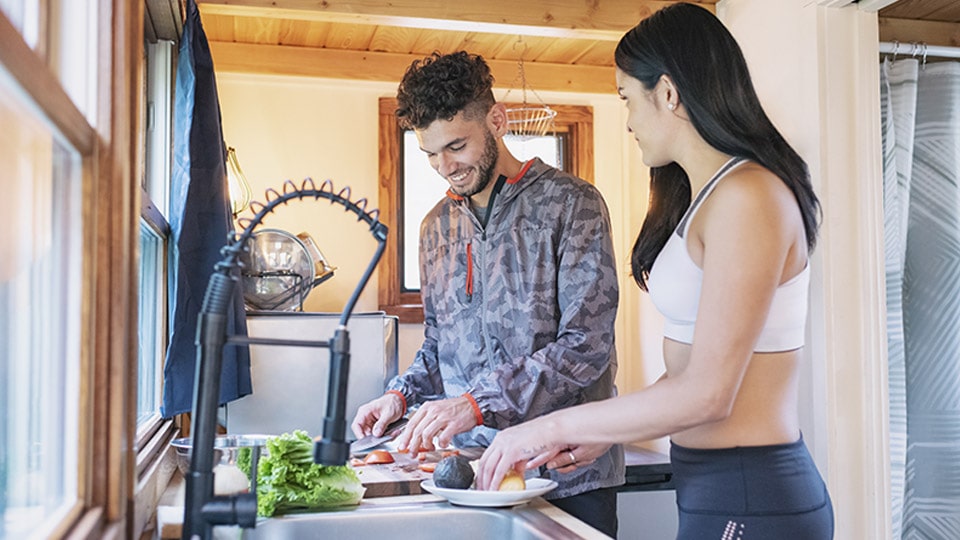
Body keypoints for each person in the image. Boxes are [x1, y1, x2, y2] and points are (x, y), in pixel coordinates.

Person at [475, 4, 834, 539]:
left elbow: (710, 392)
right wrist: (606, 431)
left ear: (668, 93)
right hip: (716, 486)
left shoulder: (749, 196)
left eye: (627, 98)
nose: (627, 121)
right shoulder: (706, 197)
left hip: (752, 492)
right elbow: (691, 369)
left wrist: (549, 426)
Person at [350, 51, 625, 536]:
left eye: (456, 146)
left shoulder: (573, 204)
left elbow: (587, 346)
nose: (443, 167)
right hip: (468, 475)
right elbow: (438, 346)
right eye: (430, 153)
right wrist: (398, 395)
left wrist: (474, 403)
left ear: (496, 120)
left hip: (567, 476)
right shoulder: (434, 227)